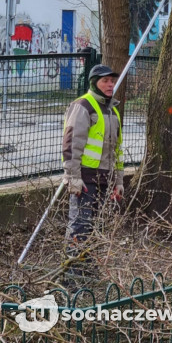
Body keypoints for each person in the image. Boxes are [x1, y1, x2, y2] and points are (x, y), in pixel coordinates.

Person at [62, 64, 124, 278]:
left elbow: (117, 151)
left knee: (95, 226)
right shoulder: (83, 106)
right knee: (80, 225)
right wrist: (73, 177)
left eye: (112, 81)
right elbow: (71, 144)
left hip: (104, 179)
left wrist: (119, 181)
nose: (110, 84)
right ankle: (73, 271)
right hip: (85, 178)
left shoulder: (112, 111)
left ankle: (87, 267)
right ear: (94, 82)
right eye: (105, 81)